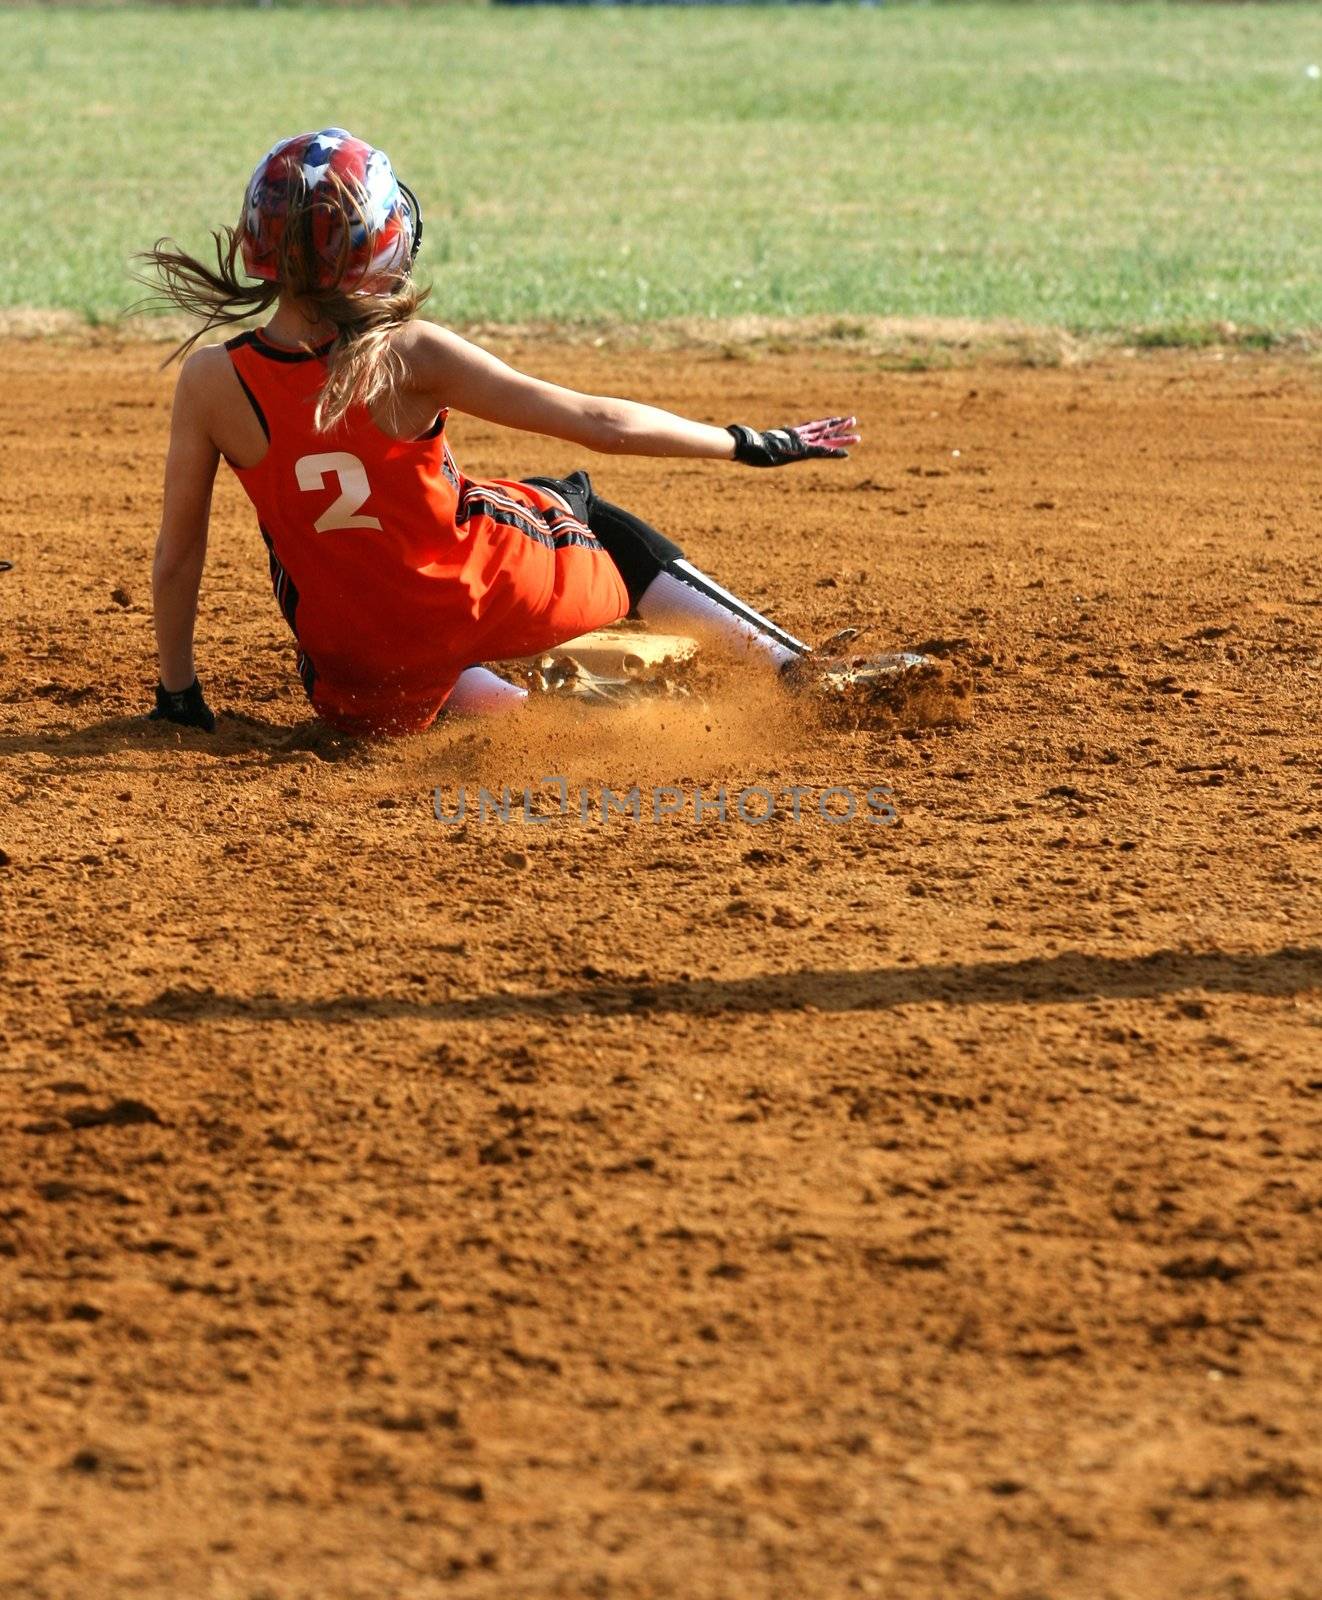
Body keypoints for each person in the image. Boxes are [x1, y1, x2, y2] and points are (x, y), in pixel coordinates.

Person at [142, 128, 862, 737]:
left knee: (340, 589)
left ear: (257, 242)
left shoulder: (211, 380)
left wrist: (180, 698)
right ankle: (792, 670)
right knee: (571, 503)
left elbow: (178, 556)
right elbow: (600, 425)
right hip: (476, 604)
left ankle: (515, 713)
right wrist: (747, 441)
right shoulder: (410, 353)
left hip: (353, 680)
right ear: (382, 242)